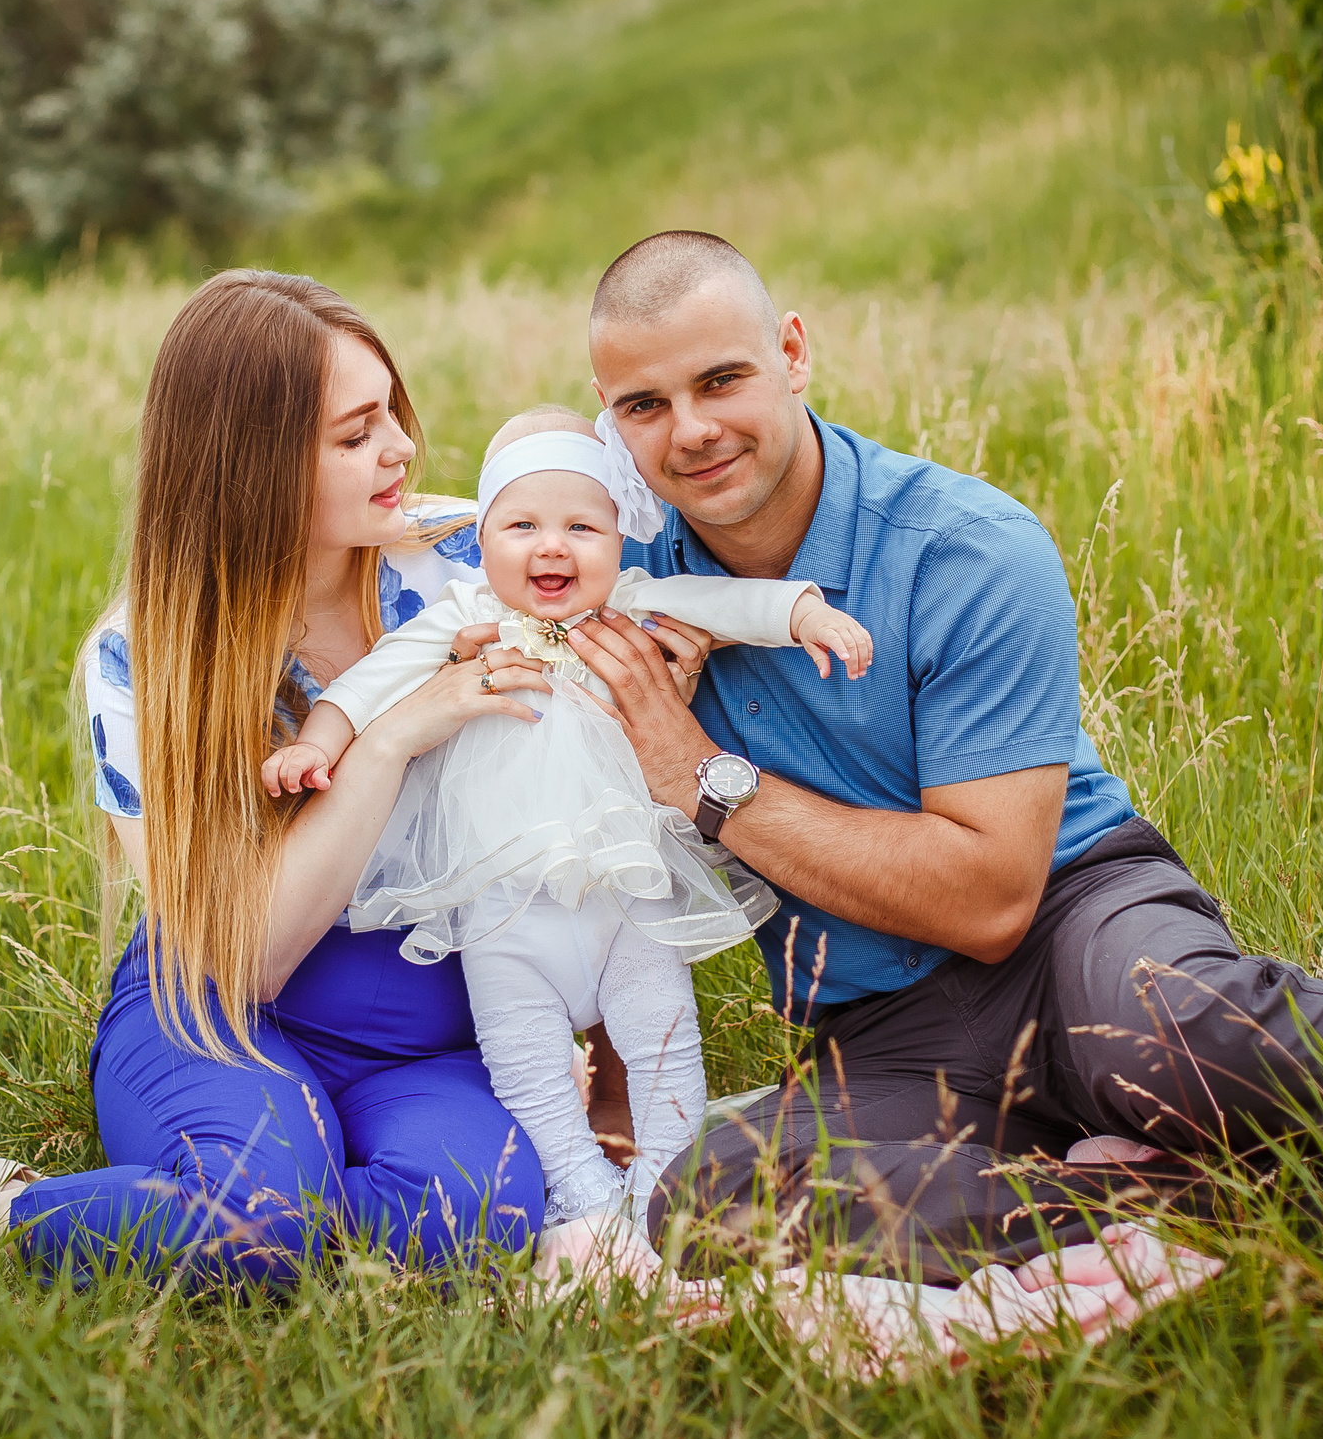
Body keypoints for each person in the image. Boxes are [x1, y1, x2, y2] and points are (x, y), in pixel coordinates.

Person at [553, 231, 1323, 1285]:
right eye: (643, 406)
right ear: (609, 420)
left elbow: (989, 896)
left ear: (794, 352)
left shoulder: (964, 546)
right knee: (717, 1201)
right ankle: (1197, 1201)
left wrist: (700, 772)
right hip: (886, 1029)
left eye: (721, 379)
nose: (691, 432)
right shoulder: (625, 584)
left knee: (1171, 1025)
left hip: (1071, 925)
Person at [0, 270, 577, 1284]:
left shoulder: (473, 567)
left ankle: (214, 1214)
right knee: (264, 1221)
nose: (401, 448)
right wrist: (385, 738)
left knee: (471, 1217)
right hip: (218, 1011)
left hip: (425, 1036)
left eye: (393, 415)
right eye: (356, 433)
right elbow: (247, 961)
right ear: (258, 467)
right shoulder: (147, 660)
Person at [263, 404, 871, 1229]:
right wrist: (318, 743)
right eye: (521, 524)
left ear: (620, 541)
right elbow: (370, 681)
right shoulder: (463, 618)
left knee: (664, 1033)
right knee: (523, 1056)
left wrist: (804, 614)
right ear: (483, 542)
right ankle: (577, 1184)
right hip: (504, 903)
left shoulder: (632, 603)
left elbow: (728, 603)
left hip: (626, 889)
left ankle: (666, 1180)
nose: (552, 545)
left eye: (583, 525)